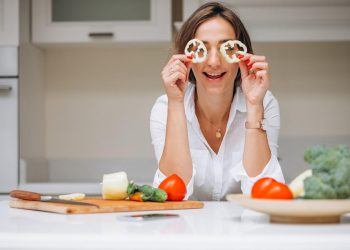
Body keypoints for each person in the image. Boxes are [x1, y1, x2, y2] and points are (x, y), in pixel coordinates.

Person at [150, 2, 284, 200]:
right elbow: (172, 193)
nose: (213, 62)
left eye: (226, 49)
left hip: (246, 229)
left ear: (242, 56)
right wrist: (176, 103)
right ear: (187, 58)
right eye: (201, 49)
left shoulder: (265, 102)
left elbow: (264, 192)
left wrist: (255, 106)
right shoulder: (165, 107)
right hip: (185, 228)